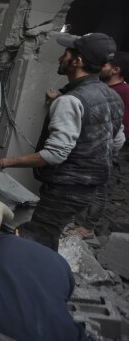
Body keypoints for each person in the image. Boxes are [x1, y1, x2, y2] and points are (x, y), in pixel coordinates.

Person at [0, 33, 125, 251]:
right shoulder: (112, 96)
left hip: (65, 189)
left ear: (78, 61)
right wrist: (91, 162)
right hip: (88, 188)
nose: (60, 57)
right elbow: (118, 140)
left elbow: (54, 154)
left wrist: (1, 163)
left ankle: (29, 279)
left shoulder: (70, 101)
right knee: (48, 234)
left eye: (66, 53)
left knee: (34, 238)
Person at [72, 51, 129, 238]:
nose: (101, 68)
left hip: (107, 146)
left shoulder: (122, 91)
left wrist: (110, 148)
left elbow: (122, 126)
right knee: (81, 183)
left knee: (98, 189)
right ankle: (74, 220)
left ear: (116, 69)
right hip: (94, 145)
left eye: (105, 65)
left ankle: (88, 227)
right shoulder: (105, 88)